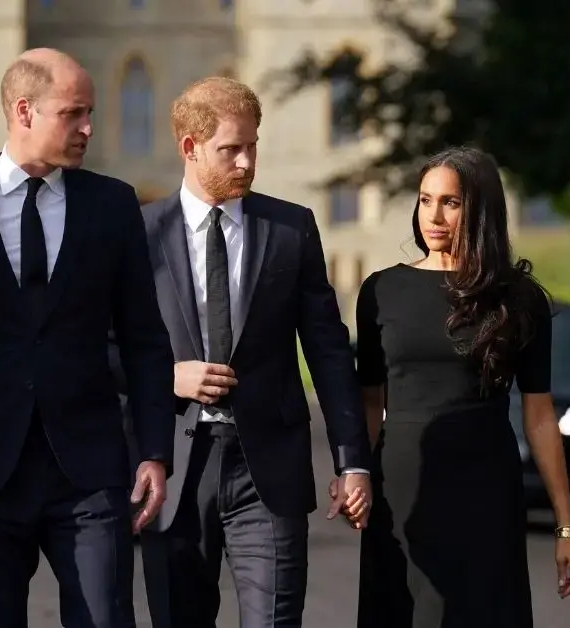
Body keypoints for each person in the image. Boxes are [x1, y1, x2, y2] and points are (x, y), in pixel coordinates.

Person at [0, 48, 175, 628]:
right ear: (24, 110)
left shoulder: (112, 205)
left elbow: (144, 339)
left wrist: (155, 450)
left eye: (91, 113)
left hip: (91, 475)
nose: (88, 128)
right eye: (74, 113)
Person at [130, 76, 374, 628]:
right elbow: (101, 347)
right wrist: (168, 377)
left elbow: (329, 350)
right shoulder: (138, 234)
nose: (245, 162)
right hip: (175, 468)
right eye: (230, 149)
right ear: (189, 147)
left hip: (268, 470)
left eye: (252, 145)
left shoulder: (291, 229)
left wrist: (352, 460)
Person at [354, 146, 570, 628]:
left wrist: (567, 526)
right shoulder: (380, 291)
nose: (433, 216)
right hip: (401, 489)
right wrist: (356, 473)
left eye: (450, 203)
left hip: (484, 489)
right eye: (424, 200)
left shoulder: (518, 299)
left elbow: (540, 416)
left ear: (480, 209)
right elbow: (370, 399)